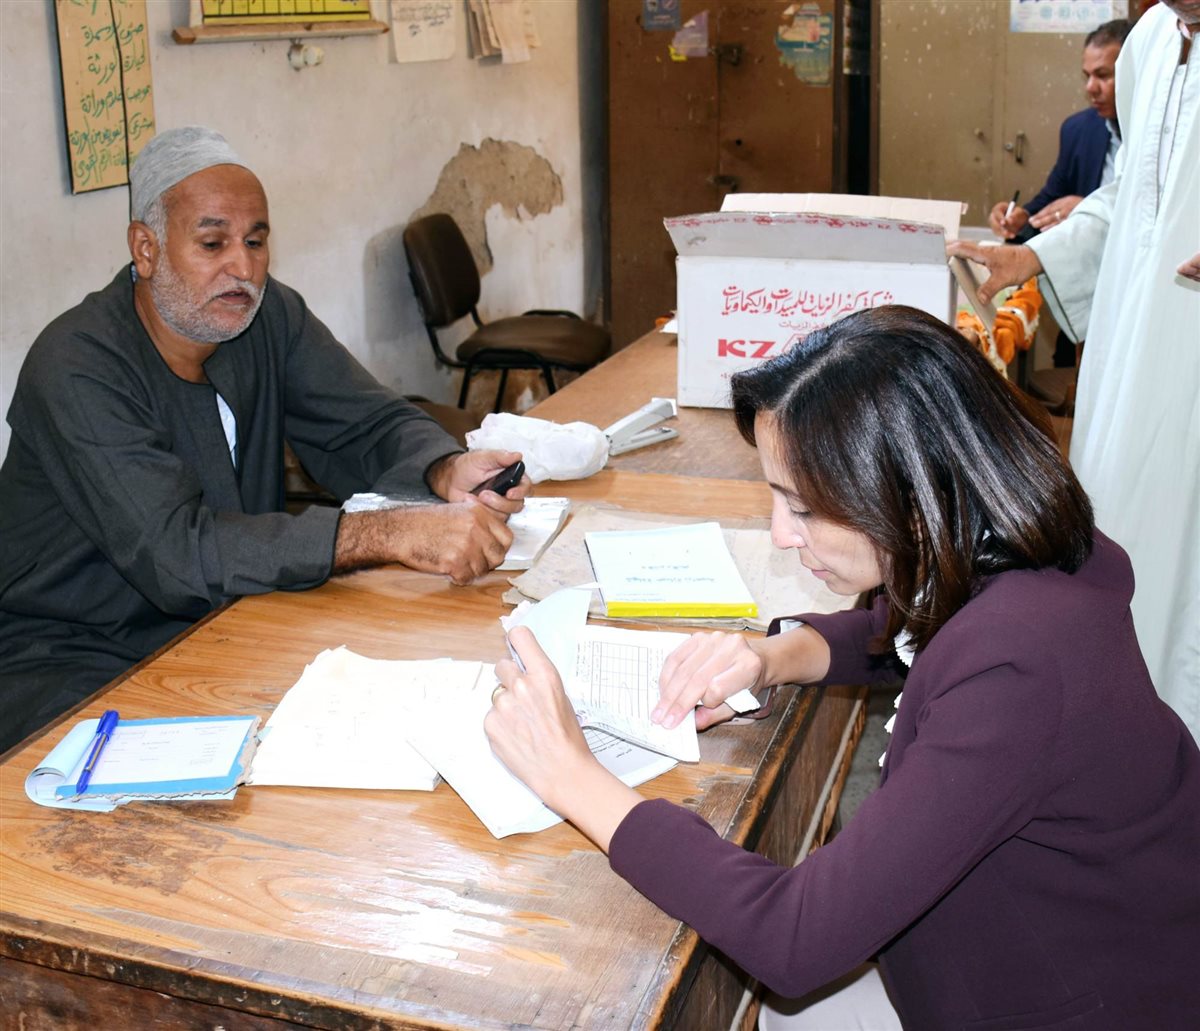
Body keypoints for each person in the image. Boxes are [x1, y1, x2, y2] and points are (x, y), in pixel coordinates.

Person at [484, 306, 1200, 1029]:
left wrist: (571, 776)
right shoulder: (1012, 554)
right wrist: (772, 657)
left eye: (803, 507)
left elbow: (794, 938)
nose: (781, 533)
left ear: (914, 496)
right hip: (1005, 951)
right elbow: (915, 632)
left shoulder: (1020, 668)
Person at [0, 127, 530, 752]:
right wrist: (386, 533)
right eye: (212, 243)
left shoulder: (262, 314)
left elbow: (364, 419)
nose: (243, 268)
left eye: (255, 241)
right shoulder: (77, 365)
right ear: (146, 249)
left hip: (224, 621)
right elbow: (178, 554)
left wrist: (442, 467)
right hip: (71, 659)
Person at [949, 0, 1200, 743]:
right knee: (1121, 537)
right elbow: (1132, 196)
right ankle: (1120, 737)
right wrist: (1033, 255)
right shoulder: (1150, 41)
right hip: (1131, 362)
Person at [988, 20, 1131, 244]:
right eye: (1087, 76)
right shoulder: (1078, 130)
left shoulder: (1168, 134)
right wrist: (1020, 218)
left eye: (1103, 75)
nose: (1090, 88)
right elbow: (1052, 198)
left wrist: (1089, 210)